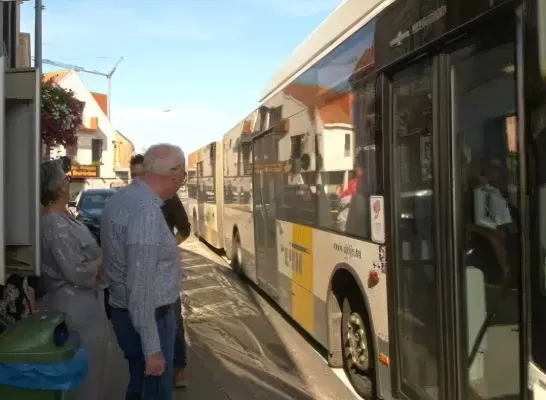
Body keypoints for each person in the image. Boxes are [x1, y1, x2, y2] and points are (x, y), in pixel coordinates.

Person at [101, 144, 186, 400]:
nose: (183, 180)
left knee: (138, 383)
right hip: (151, 319)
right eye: (183, 174)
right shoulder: (147, 213)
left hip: (124, 311)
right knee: (156, 390)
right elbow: (141, 287)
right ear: (175, 175)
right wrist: (152, 350)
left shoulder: (122, 197)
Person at [40, 160, 107, 400]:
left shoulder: (63, 217)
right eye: (65, 178)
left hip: (84, 304)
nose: (68, 181)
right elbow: (76, 271)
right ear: (57, 187)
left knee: (90, 370)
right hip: (74, 307)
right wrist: (103, 261)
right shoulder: (54, 223)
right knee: (82, 374)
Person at [131, 153, 190, 388]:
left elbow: (185, 229)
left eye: (141, 175)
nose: (137, 181)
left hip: (165, 271)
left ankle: (177, 368)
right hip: (140, 270)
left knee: (172, 319)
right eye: (133, 176)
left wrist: (167, 248)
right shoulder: (128, 200)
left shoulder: (169, 199)